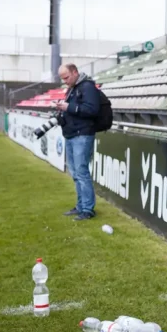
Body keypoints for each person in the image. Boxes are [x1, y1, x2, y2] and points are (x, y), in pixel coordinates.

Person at [54, 63, 100, 221]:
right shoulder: (73, 88)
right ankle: (81, 206)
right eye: (62, 78)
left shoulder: (87, 87)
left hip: (82, 134)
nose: (65, 81)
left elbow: (92, 110)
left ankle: (88, 209)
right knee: (75, 173)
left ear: (75, 72)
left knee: (81, 172)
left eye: (66, 77)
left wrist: (69, 107)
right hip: (72, 134)